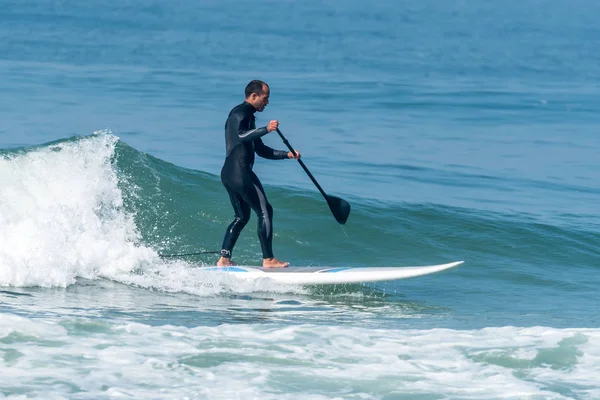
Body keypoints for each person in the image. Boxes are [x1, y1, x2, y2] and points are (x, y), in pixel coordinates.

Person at [217, 80, 300, 268]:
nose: (267, 102)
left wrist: (287, 155)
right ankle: (269, 259)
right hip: (241, 173)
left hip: (229, 173)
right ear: (254, 96)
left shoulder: (246, 117)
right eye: (265, 98)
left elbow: (260, 150)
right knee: (265, 211)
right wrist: (266, 129)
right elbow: (241, 136)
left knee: (242, 216)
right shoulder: (240, 113)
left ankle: (224, 258)